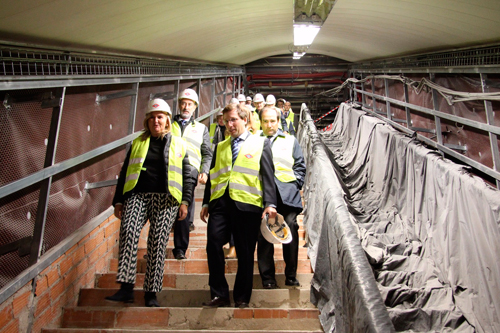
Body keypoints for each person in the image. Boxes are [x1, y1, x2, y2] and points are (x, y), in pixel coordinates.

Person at [106, 99, 196, 307]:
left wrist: (185, 201)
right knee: (128, 230)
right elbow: (125, 172)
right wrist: (119, 199)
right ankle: (126, 288)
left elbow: (188, 175)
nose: (156, 121)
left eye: (160, 117)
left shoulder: (178, 143)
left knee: (157, 242)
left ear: (166, 121)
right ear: (147, 121)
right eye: (152, 118)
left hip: (166, 199)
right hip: (137, 195)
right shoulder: (138, 143)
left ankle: (150, 293)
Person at [200, 103, 277, 308]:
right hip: (221, 204)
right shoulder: (220, 146)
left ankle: (242, 297)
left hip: (247, 204)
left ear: (245, 119)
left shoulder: (261, 144)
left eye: (233, 120)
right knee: (213, 244)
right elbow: (214, 175)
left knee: (244, 251)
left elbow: (268, 176)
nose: (230, 125)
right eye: (226, 121)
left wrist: (270, 204)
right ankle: (219, 294)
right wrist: (207, 201)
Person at [257, 106, 306, 289]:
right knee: (263, 234)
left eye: (273, 121)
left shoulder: (290, 140)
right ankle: (268, 278)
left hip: (287, 193)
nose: (269, 125)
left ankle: (291, 275)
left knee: (291, 227)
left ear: (278, 121)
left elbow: (300, 166)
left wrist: (295, 185)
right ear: (261, 122)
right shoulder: (255, 141)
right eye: (265, 121)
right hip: (263, 194)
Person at [171, 88, 213, 260]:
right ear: (179, 104)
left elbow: (207, 152)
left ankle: (180, 248)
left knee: (184, 204)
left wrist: (204, 171)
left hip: (190, 170)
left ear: (195, 107)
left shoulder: (201, 128)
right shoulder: (169, 124)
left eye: (190, 104)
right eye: (183, 103)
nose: (186, 106)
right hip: (169, 170)